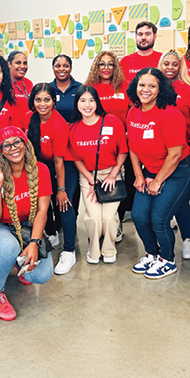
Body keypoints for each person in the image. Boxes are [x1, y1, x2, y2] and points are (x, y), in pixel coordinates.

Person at [0, 126, 54, 321]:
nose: (13, 148)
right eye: (6, 145)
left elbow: (42, 211)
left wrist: (34, 243)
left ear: (25, 144)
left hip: (23, 228)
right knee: (8, 245)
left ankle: (18, 260)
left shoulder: (40, 169)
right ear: (1, 151)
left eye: (17, 142)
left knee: (41, 275)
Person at [127, 68, 190, 279]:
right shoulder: (133, 111)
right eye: (142, 85)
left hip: (179, 172)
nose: (145, 90)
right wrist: (139, 176)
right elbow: (133, 147)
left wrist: (158, 180)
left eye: (152, 86)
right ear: (135, 87)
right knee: (139, 216)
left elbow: (175, 154)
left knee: (159, 218)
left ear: (160, 89)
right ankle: (152, 254)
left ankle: (167, 260)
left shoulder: (169, 114)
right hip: (149, 171)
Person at [70, 85, 128, 263]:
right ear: (77, 104)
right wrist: (90, 179)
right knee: (94, 217)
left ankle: (109, 250)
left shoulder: (111, 121)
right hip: (88, 176)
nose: (87, 105)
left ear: (97, 102)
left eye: (91, 100)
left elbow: (123, 151)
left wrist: (112, 175)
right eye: (82, 100)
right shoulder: (73, 128)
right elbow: (75, 159)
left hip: (112, 173)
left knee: (109, 217)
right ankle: (94, 251)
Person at [25, 84, 77, 275]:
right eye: (38, 99)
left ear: (54, 101)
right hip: (42, 165)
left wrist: (61, 189)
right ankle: (52, 234)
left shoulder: (59, 124)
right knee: (42, 202)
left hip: (64, 165)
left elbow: (59, 162)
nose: (42, 104)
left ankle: (69, 251)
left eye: (47, 99)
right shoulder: (29, 118)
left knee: (63, 204)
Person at [85, 51, 131, 242]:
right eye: (102, 64)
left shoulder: (126, 86)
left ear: (116, 67)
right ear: (96, 67)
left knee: (119, 185)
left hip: (122, 144)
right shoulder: (90, 87)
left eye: (110, 64)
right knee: (97, 186)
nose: (106, 68)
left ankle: (116, 223)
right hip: (97, 145)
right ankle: (99, 226)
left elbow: (134, 110)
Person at [158, 49, 190, 259]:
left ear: (180, 66)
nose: (170, 68)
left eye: (175, 64)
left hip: (182, 154)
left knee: (181, 199)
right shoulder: (152, 86)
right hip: (157, 155)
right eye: (166, 63)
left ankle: (187, 239)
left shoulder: (189, 89)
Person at [49, 54, 82, 121]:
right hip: (53, 130)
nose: (61, 69)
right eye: (57, 66)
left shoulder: (80, 88)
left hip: (75, 129)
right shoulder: (48, 89)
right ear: (53, 68)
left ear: (71, 68)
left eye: (65, 66)